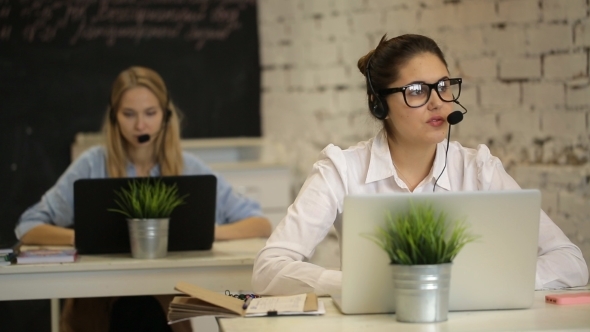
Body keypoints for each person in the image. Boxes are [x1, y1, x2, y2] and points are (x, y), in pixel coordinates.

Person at [251, 34, 589, 296]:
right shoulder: (341, 169)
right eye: (416, 91)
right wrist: (365, 285)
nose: (438, 103)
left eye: (443, 86)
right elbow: (269, 269)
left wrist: (483, 282)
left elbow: (571, 263)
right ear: (379, 103)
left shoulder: (479, 169)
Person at [14, 66, 272, 332]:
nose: (140, 125)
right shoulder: (92, 165)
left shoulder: (189, 167)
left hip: (163, 296)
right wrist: (82, 237)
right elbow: (29, 226)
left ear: (166, 115)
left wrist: (208, 231)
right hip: (101, 300)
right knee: (131, 310)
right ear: (114, 116)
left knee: (146, 309)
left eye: (150, 113)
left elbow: (260, 224)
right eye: (129, 114)